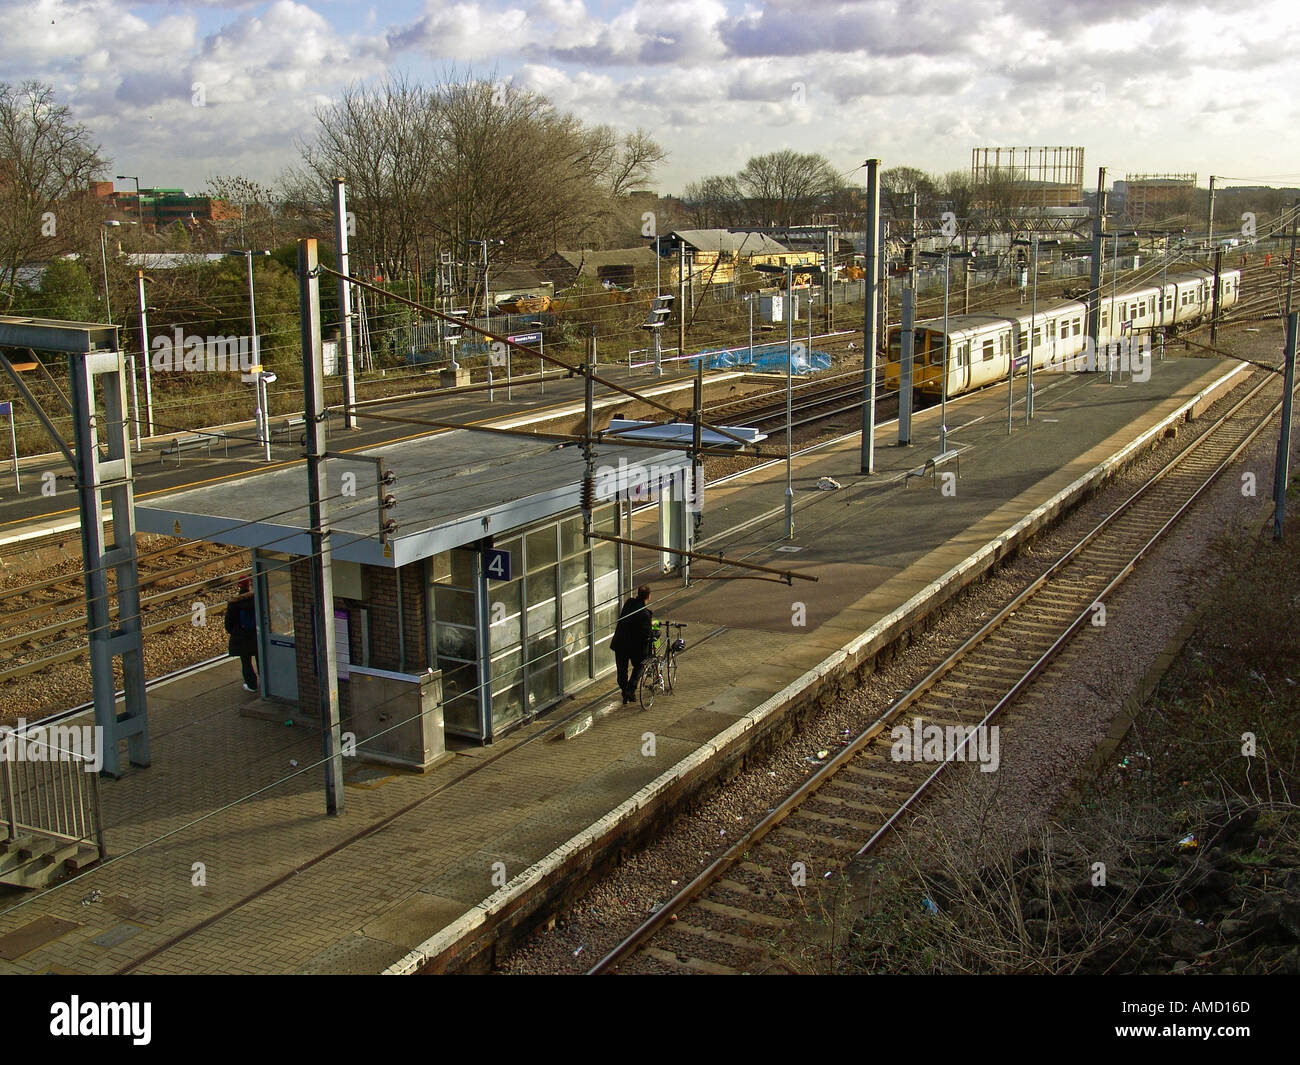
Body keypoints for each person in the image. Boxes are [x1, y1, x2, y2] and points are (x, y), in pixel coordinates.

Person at [610, 585, 653, 704]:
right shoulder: (644, 614)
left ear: (637, 594)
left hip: (620, 644)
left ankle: (625, 691)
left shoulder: (629, 603)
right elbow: (646, 634)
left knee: (622, 670)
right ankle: (630, 689)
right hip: (634, 648)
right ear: (649, 596)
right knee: (640, 665)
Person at [224, 577, 259, 692]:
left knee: (246, 662)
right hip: (256, 635)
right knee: (261, 659)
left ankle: (251, 685)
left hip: (242, 637)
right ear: (249, 585)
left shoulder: (234, 603)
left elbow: (228, 624)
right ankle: (267, 684)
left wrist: (235, 633)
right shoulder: (256, 598)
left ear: (239, 585)